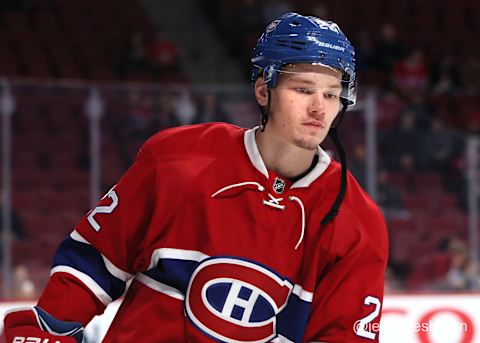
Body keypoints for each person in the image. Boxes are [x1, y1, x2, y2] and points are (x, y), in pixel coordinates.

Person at [4, 12, 388, 342]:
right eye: (303, 89)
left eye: (332, 94)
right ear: (262, 90)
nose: (319, 107)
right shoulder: (180, 161)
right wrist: (51, 327)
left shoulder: (357, 223)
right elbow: (94, 262)